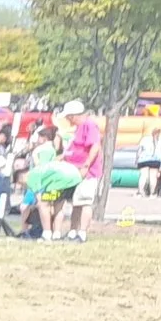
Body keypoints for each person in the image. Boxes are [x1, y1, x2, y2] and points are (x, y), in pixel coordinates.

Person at [58, 99, 104, 242]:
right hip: (75, 170)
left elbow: (95, 146)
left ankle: (82, 233)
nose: (67, 120)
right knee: (76, 202)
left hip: (87, 171)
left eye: (68, 117)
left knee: (85, 201)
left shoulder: (89, 125)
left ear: (74, 115)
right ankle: (73, 231)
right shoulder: (78, 128)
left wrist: (86, 165)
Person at [136, 123, 161, 197]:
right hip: (155, 160)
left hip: (143, 160)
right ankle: (153, 193)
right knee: (153, 177)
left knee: (143, 176)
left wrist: (137, 159)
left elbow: (139, 150)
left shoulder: (144, 139)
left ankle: (140, 192)